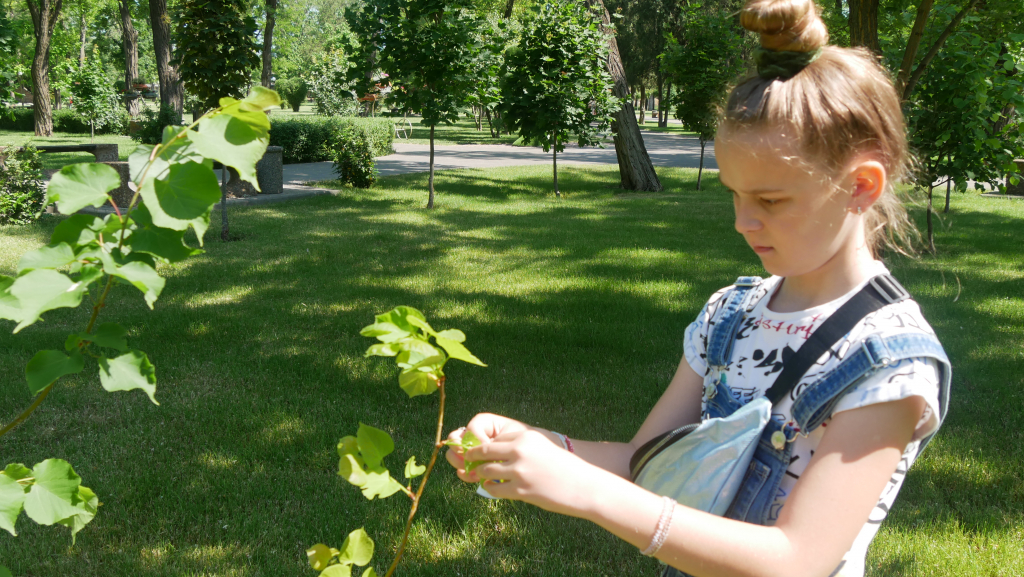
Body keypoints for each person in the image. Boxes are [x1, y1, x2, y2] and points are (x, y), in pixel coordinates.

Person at [444, 0, 951, 575]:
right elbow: (642, 464)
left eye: (770, 200)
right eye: (734, 194)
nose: (742, 222)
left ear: (860, 186)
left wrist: (585, 492)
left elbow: (796, 560)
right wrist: (541, 448)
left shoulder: (889, 361)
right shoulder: (731, 314)